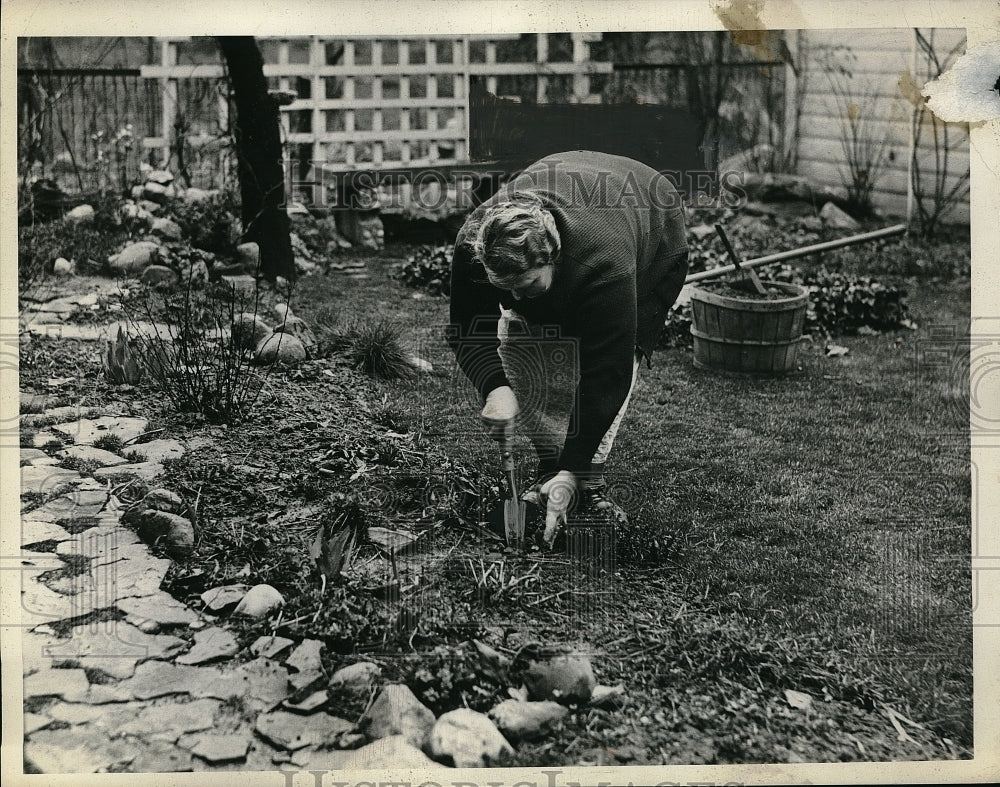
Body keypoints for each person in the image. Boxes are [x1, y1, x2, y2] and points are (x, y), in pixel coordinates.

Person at [448, 150, 689, 547]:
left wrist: (575, 469)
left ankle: (587, 482)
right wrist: (495, 388)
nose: (513, 299)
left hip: (653, 221)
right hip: (573, 180)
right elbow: (467, 330)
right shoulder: (475, 244)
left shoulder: (604, 266)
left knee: (611, 354)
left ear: (553, 255)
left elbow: (606, 371)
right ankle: (549, 470)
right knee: (523, 343)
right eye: (502, 287)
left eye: (525, 286)